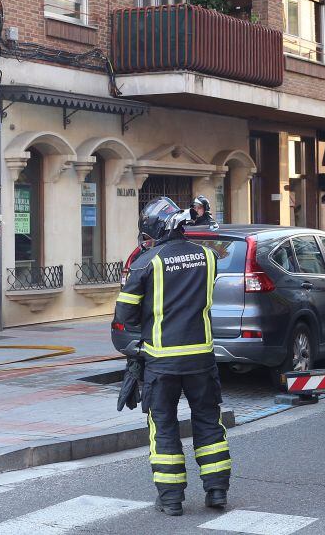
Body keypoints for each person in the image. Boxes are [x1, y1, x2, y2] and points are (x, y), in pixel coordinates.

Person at [113, 197, 230, 517]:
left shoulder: (146, 262)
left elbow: (125, 313)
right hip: (201, 358)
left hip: (161, 361)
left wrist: (143, 334)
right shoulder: (208, 257)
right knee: (208, 421)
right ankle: (217, 490)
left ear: (155, 230)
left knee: (163, 426)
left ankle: (171, 498)